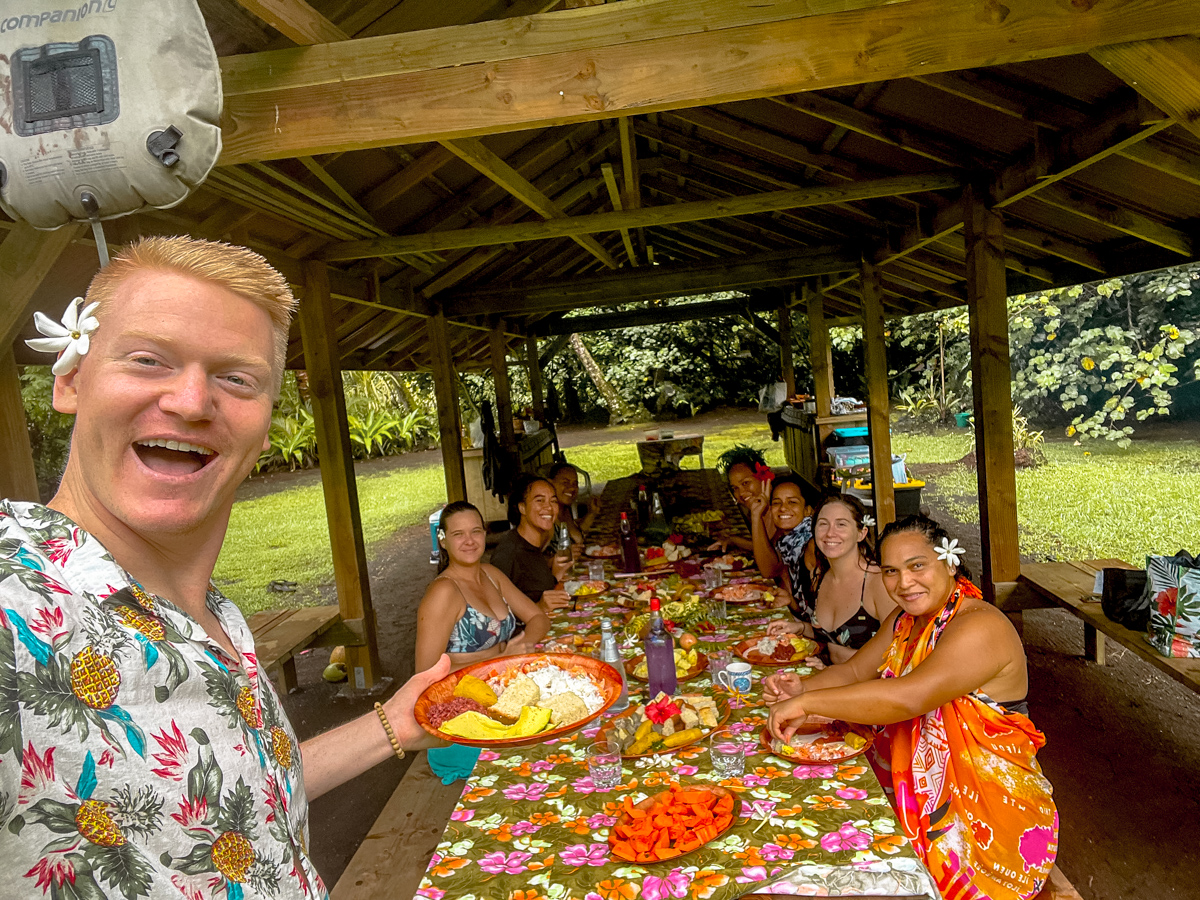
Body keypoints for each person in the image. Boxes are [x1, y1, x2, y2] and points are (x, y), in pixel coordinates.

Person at [0, 236, 449, 899]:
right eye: (148, 360)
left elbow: (245, 796)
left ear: (267, 422)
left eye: (235, 378)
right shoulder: (20, 590)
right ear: (70, 379)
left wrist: (396, 724)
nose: (190, 401)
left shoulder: (217, 617)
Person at [765, 515, 1058, 900]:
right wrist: (800, 687)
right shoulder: (909, 619)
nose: (904, 583)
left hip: (985, 818)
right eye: (891, 571)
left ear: (948, 561)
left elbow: (907, 698)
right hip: (918, 793)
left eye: (917, 565)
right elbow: (854, 670)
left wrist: (808, 703)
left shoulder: (980, 626)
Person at [415, 501, 551, 673]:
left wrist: (520, 649)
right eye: (458, 534)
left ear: (485, 534)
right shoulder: (443, 591)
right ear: (442, 540)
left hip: (504, 680)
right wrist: (501, 660)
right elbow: (425, 673)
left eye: (476, 531)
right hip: (467, 694)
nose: (469, 541)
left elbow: (539, 618)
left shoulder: (491, 575)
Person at [768, 493, 895, 663]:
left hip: (865, 686)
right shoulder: (822, 575)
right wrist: (800, 627)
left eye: (841, 524)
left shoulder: (878, 581)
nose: (830, 533)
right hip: (831, 678)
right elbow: (832, 636)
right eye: (823, 524)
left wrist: (833, 671)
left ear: (861, 533)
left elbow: (897, 653)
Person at [490, 474, 572, 614]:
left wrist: (554, 576)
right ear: (522, 508)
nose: (549, 508)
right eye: (540, 500)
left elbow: (532, 589)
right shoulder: (508, 553)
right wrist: (539, 608)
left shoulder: (533, 544)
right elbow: (494, 617)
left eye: (553, 501)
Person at [748, 474, 820, 597]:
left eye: (792, 502)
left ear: (808, 510)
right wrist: (756, 515)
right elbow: (768, 570)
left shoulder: (812, 540)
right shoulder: (787, 539)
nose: (783, 508)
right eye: (776, 503)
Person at [711, 444, 773, 552]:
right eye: (735, 488)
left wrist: (735, 540)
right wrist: (733, 540)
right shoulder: (759, 510)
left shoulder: (777, 512)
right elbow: (759, 545)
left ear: (764, 478)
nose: (741, 493)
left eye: (745, 483)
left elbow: (767, 553)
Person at [548, 461, 599, 544]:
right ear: (550, 483)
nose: (572, 488)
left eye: (575, 483)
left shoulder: (565, 509)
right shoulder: (546, 517)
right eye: (565, 482)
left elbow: (576, 534)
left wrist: (592, 513)